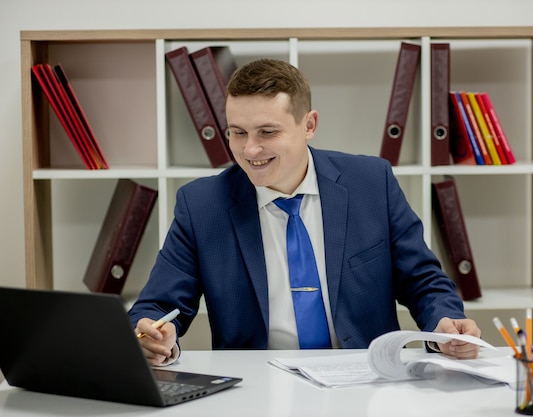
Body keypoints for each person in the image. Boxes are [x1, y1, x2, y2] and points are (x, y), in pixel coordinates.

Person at [129, 58, 481, 366]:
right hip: (257, 385)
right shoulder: (202, 205)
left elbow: (422, 280)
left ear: (309, 125)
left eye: (267, 132)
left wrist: (444, 322)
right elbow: (157, 307)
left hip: (365, 377)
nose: (250, 149)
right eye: (238, 132)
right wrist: (152, 335)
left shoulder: (372, 184)